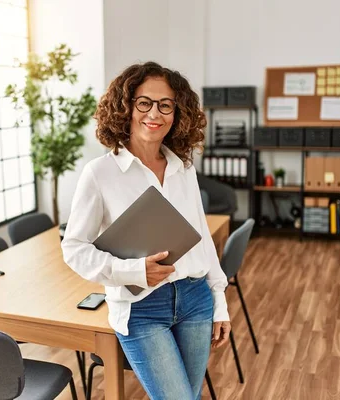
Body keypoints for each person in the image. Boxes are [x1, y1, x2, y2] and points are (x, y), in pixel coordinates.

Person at [61, 61, 230, 400]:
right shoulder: (100, 173)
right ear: (126, 107)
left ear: (176, 113)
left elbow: (202, 240)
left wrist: (219, 300)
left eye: (166, 105)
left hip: (195, 298)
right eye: (144, 102)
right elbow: (74, 248)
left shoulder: (183, 168)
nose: (155, 113)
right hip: (141, 307)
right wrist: (133, 270)